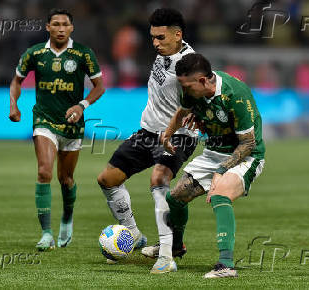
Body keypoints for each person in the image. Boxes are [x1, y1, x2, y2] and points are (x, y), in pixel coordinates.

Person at [96, 8, 198, 272]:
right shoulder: (164, 51)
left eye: (161, 37)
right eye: (153, 37)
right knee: (107, 180)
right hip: (148, 132)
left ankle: (166, 256)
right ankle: (134, 235)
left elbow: (198, 101)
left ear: (178, 35)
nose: (155, 43)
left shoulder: (189, 65)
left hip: (178, 136)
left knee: (158, 180)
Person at [161, 53, 265, 278]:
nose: (183, 91)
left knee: (220, 194)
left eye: (187, 86)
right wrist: (168, 134)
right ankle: (175, 247)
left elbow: (248, 143)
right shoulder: (190, 90)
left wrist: (220, 172)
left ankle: (226, 265)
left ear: (203, 81)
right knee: (175, 197)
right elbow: (183, 111)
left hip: (246, 156)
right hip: (214, 152)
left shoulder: (235, 94)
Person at [9, 9, 105, 251]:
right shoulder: (35, 53)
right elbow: (17, 80)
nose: (61, 28)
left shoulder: (83, 54)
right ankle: (46, 233)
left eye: (65, 24)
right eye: (56, 24)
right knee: (44, 172)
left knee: (66, 179)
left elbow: (99, 86)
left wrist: (82, 105)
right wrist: (14, 104)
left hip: (72, 124)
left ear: (72, 28)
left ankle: (67, 218)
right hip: (44, 120)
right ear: (47, 27)